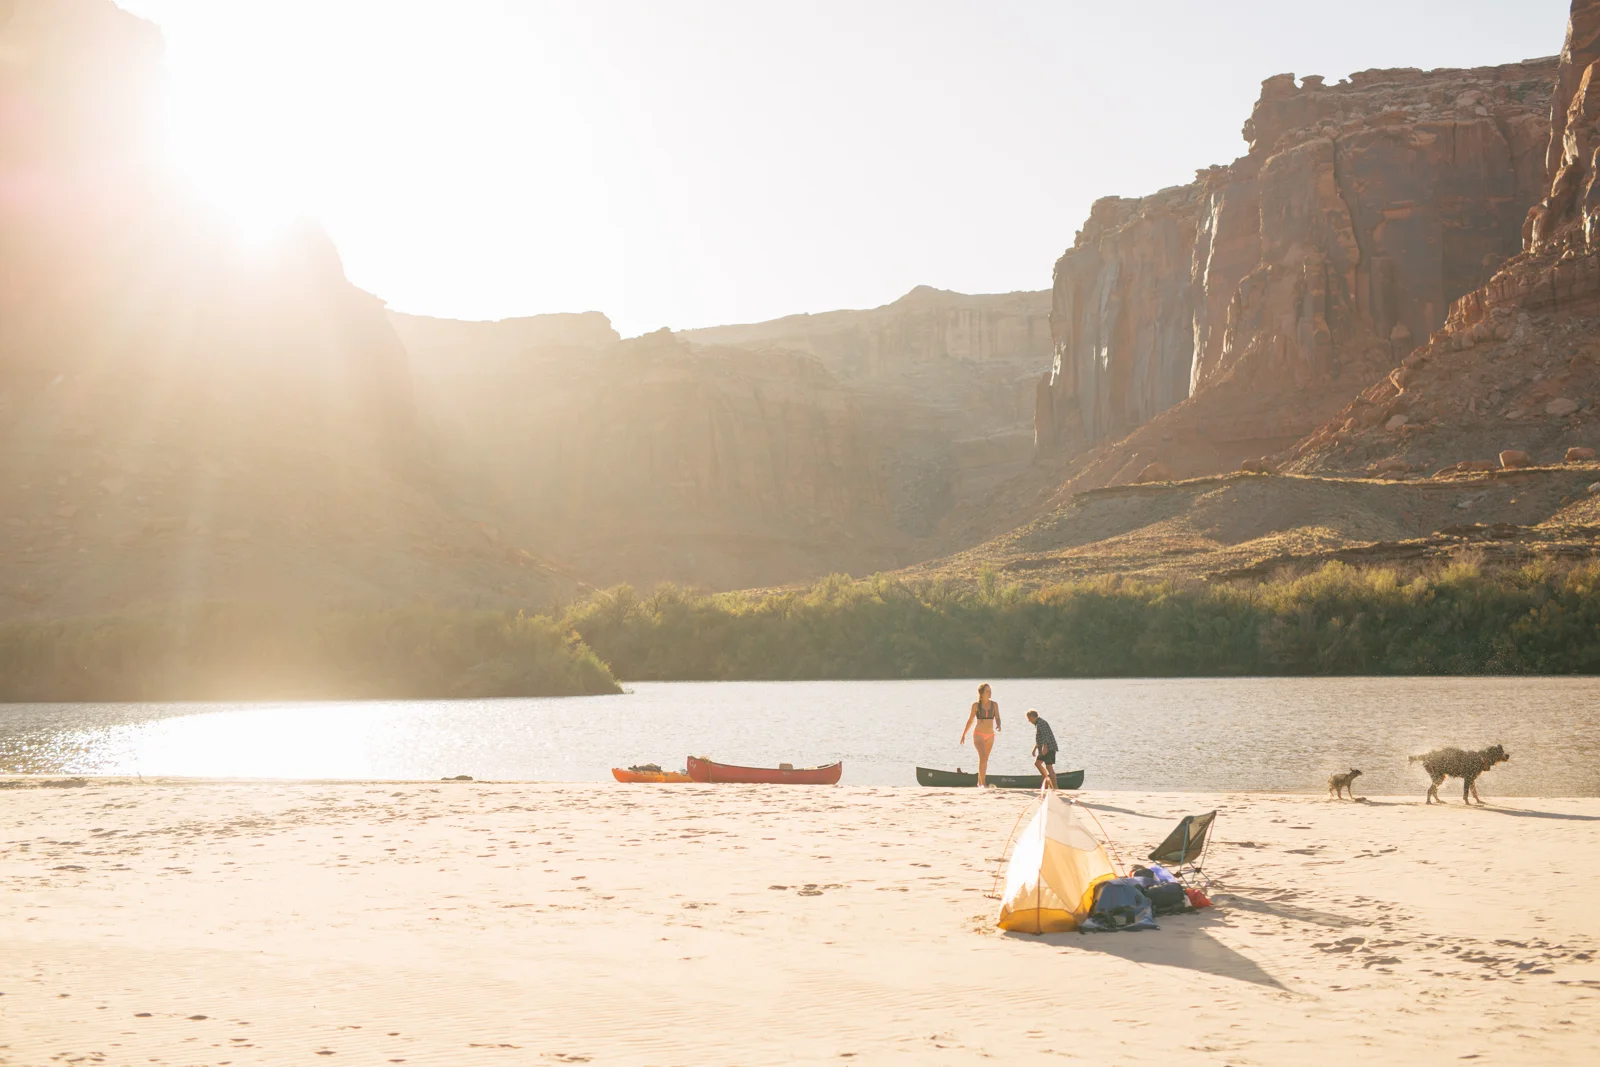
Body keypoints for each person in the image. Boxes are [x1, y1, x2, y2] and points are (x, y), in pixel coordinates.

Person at [959, 683, 1001, 787]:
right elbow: (970, 720)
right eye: (987, 691)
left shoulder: (994, 704)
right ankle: (983, 784)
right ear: (982, 693)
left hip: (990, 735)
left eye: (990, 690)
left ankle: (979, 782)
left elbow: (998, 717)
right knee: (982, 756)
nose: (990, 692)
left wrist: (999, 724)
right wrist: (964, 734)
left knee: (985, 759)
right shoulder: (976, 706)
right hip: (978, 734)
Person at [1026, 709, 1058, 790]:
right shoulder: (1038, 724)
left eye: (1029, 719)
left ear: (1032, 717)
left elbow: (1045, 736)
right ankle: (1047, 780)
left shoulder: (1041, 723)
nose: (1029, 721)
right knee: (1037, 764)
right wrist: (1034, 749)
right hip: (1043, 748)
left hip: (1048, 748)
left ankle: (1055, 787)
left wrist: (1045, 747)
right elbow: (1039, 738)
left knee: (1049, 767)